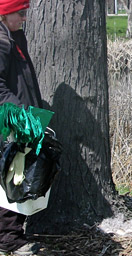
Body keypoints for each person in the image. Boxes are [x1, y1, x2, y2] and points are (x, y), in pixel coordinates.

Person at [0, 0, 43, 255]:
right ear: (4, 13)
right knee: (11, 179)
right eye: (20, 12)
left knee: (17, 176)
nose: (24, 17)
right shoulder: (2, 42)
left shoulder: (13, 36)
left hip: (18, 116)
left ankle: (11, 237)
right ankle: (9, 241)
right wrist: (20, 115)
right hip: (9, 121)